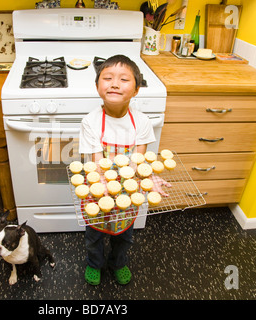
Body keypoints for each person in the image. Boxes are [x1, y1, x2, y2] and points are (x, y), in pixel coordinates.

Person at [79, 54, 170, 285]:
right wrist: (104, 189)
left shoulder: (141, 122)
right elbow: (98, 164)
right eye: (107, 78)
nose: (115, 83)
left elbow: (137, 161)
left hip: (128, 192)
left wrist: (148, 178)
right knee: (94, 236)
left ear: (137, 89)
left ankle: (118, 263)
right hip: (98, 188)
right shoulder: (90, 121)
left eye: (124, 79)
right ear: (97, 86)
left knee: (124, 236)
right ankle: (94, 264)